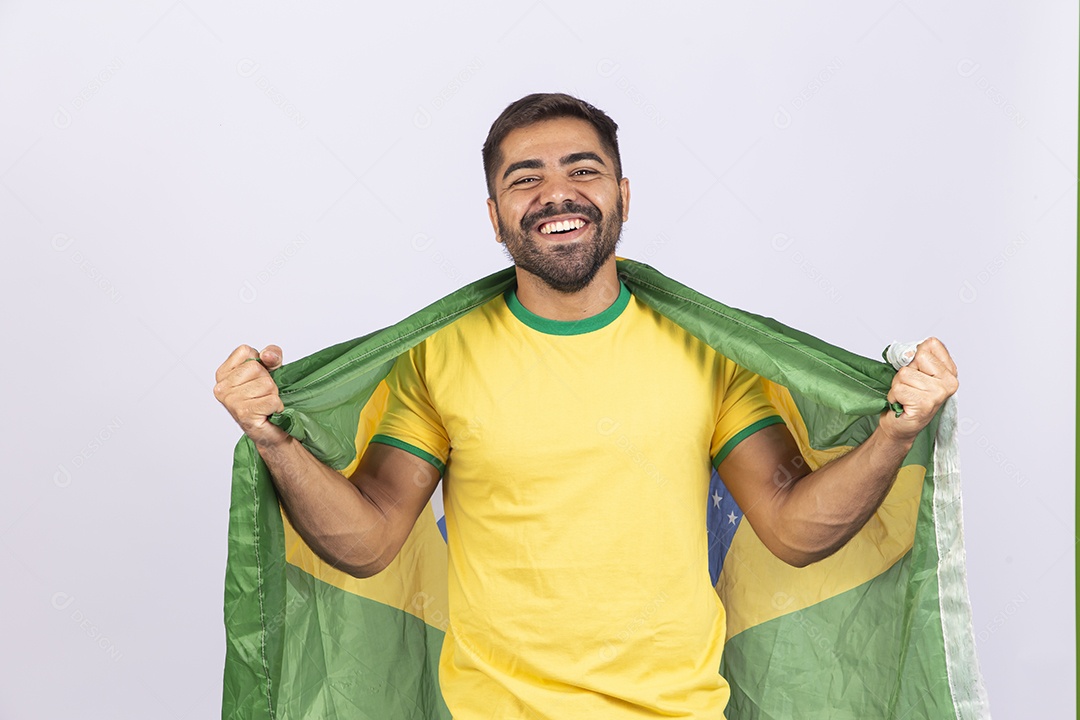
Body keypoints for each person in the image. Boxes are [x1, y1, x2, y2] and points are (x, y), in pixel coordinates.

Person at [214, 93, 959, 719]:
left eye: (583, 170)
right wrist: (274, 440)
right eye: (524, 178)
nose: (555, 194)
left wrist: (895, 433)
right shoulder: (439, 356)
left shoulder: (705, 349)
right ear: (495, 214)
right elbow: (369, 540)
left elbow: (794, 527)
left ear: (623, 196)